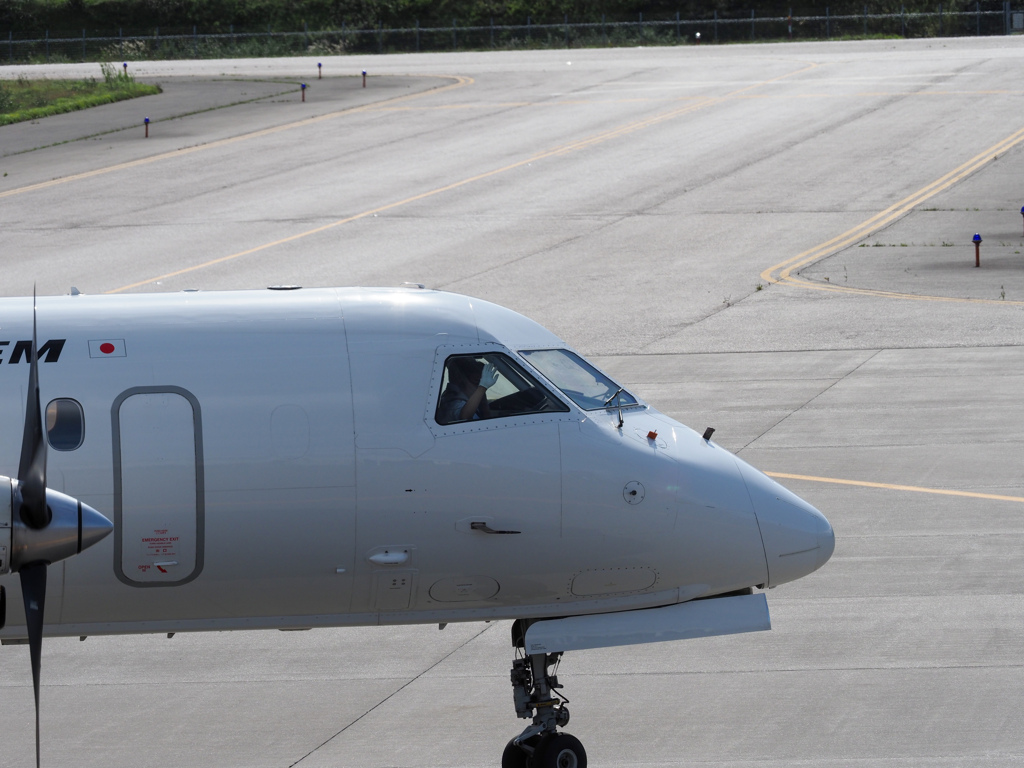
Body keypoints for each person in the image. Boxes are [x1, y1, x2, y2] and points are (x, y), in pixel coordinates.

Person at [438, 357, 499, 423]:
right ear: (461, 381)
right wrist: (482, 387)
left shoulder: (469, 395)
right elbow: (465, 416)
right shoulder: (453, 400)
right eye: (476, 383)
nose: (478, 387)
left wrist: (482, 398)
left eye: (480, 383)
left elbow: (486, 417)